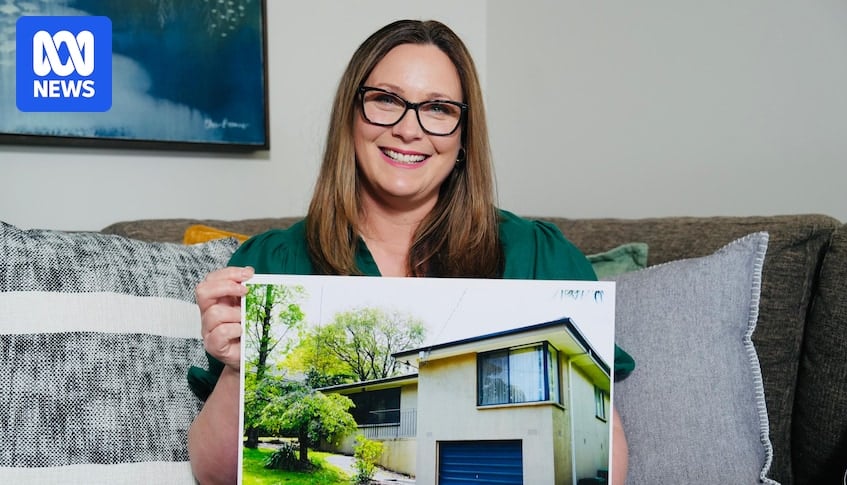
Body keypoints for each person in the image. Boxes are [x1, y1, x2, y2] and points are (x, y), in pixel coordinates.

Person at [187, 19, 634, 485]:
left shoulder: (541, 256)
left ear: (463, 136)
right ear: (351, 116)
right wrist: (238, 368)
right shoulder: (273, 262)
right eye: (387, 100)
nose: (408, 129)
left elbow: (607, 443)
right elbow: (217, 477)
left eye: (438, 108)